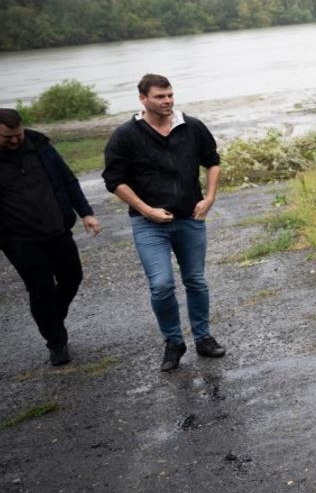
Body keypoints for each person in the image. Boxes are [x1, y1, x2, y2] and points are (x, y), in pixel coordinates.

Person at [103, 74, 226, 372]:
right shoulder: (126, 135)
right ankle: (173, 342)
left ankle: (203, 337)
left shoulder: (192, 126)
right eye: (160, 96)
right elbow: (114, 181)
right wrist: (146, 210)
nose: (167, 101)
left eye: (170, 95)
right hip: (149, 224)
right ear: (143, 98)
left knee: (195, 280)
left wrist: (208, 198)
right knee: (160, 285)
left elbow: (212, 160)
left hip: (189, 218)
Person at [0, 108, 101, 366]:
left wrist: (86, 213)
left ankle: (52, 318)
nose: (14, 140)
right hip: (19, 240)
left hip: (57, 230)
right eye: (7, 137)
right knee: (40, 288)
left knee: (72, 277)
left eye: (17, 134)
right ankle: (56, 342)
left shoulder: (40, 146)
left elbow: (68, 180)